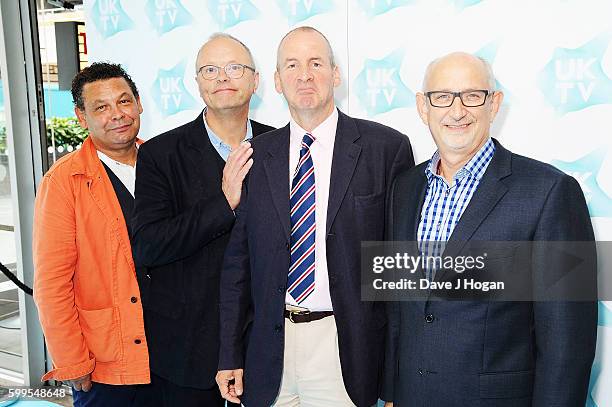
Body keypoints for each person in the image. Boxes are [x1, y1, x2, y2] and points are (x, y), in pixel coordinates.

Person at [382, 52, 597, 407]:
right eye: (442, 97)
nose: (457, 111)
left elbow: (567, 341)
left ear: (494, 104)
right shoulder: (404, 188)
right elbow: (398, 306)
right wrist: (391, 393)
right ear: (423, 107)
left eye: (472, 96)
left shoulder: (550, 192)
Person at [216, 26, 414, 407]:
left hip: (345, 348)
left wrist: (393, 379)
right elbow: (238, 265)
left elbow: (397, 272)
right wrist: (229, 354)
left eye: (315, 63)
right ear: (276, 81)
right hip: (270, 350)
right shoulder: (254, 155)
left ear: (336, 75)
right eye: (291, 65)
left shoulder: (385, 148)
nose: (304, 75)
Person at [131, 33, 274, 406]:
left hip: (263, 341)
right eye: (209, 70)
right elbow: (148, 244)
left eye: (234, 68)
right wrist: (223, 203)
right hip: (188, 347)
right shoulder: (160, 154)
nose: (222, 77)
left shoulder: (280, 147)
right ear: (197, 83)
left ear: (255, 80)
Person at [33, 62, 158, 406]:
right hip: (106, 360)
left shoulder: (164, 162)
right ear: (81, 117)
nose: (116, 114)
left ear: (139, 104)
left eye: (124, 101)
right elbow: (52, 284)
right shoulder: (64, 181)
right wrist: (71, 360)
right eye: (101, 107)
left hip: (172, 352)